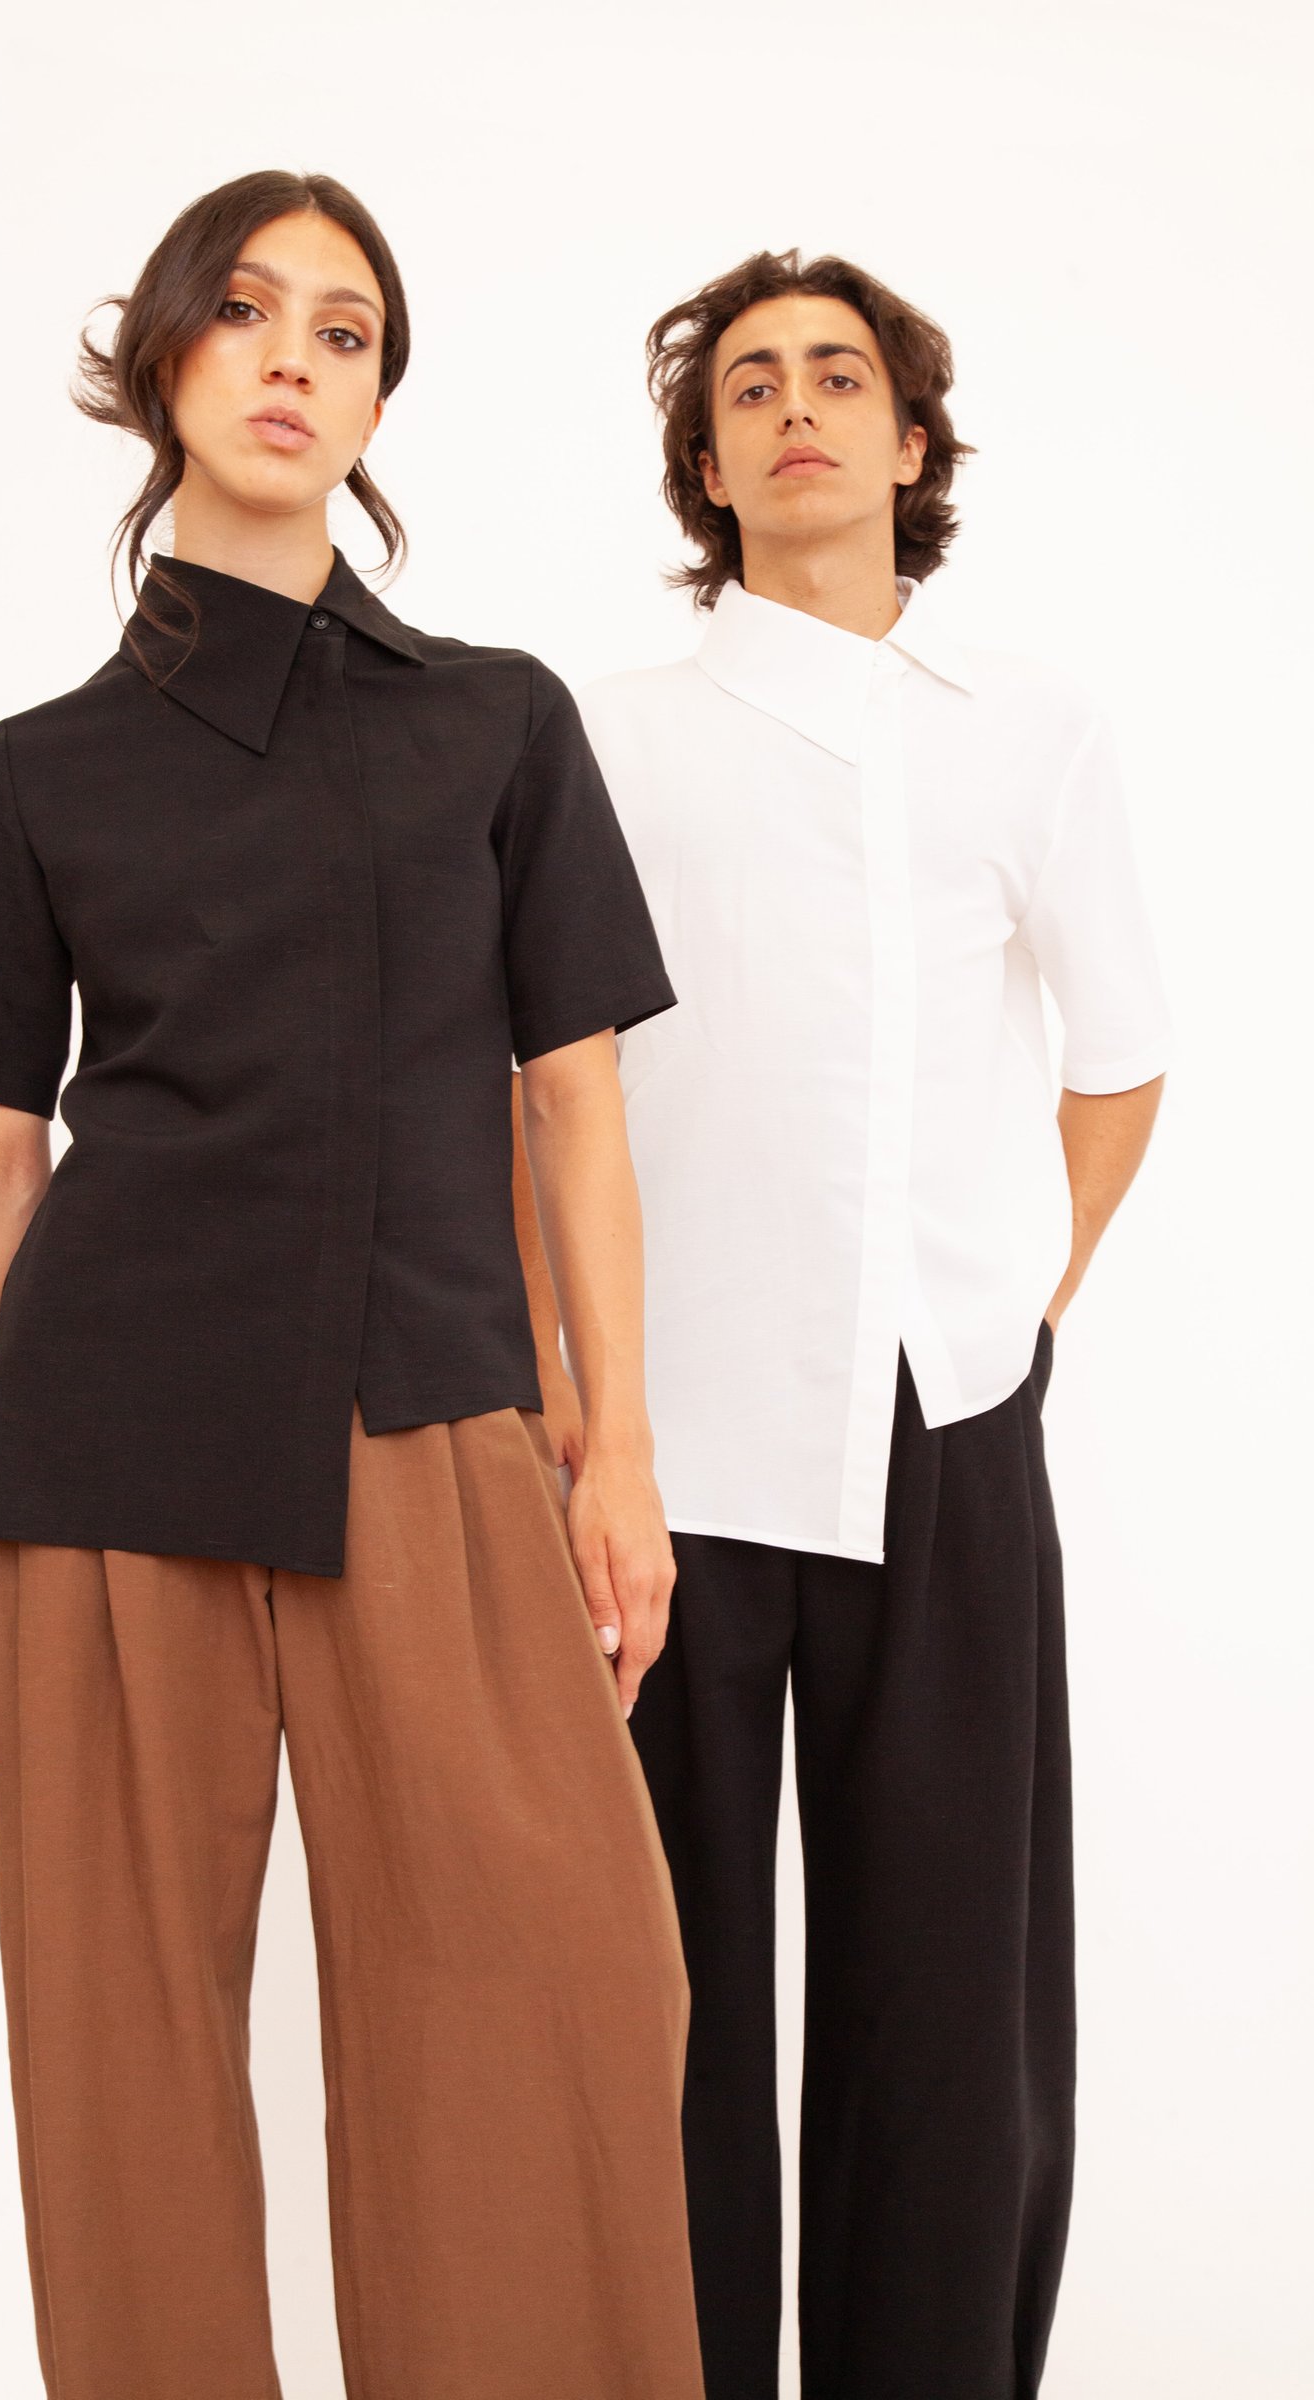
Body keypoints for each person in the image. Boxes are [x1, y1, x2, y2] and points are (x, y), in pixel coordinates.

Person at [0, 168, 706, 2400]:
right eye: (246, 312)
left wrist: (616, 1453)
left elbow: (575, 1111)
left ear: (376, 399)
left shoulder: (499, 723)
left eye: (343, 332)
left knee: (560, 1986)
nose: (292, 358)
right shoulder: (35, 774)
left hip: (428, 1421)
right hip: (98, 1456)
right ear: (163, 359)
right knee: (122, 2051)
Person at [522, 247, 1170, 2399]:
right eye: (747, 387)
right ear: (705, 468)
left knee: (949, 1994)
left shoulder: (1034, 730)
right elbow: (537, 1083)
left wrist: (1008, 1292)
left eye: (836, 375)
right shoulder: (605, 737)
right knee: (664, 1994)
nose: (794, 407)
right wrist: (571, 1392)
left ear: (908, 439)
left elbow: (1117, 1060)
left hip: (942, 1418)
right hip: (660, 1438)